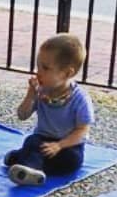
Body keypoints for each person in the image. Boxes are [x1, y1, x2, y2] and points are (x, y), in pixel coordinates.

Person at [5, 32, 94, 186]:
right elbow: (22, 115)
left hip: (67, 145)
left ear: (67, 73)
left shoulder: (80, 99)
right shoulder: (41, 91)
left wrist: (59, 145)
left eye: (45, 68)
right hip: (42, 139)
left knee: (71, 161)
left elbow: (82, 131)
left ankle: (25, 164)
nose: (39, 72)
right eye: (38, 66)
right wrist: (30, 95)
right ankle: (30, 168)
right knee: (32, 142)